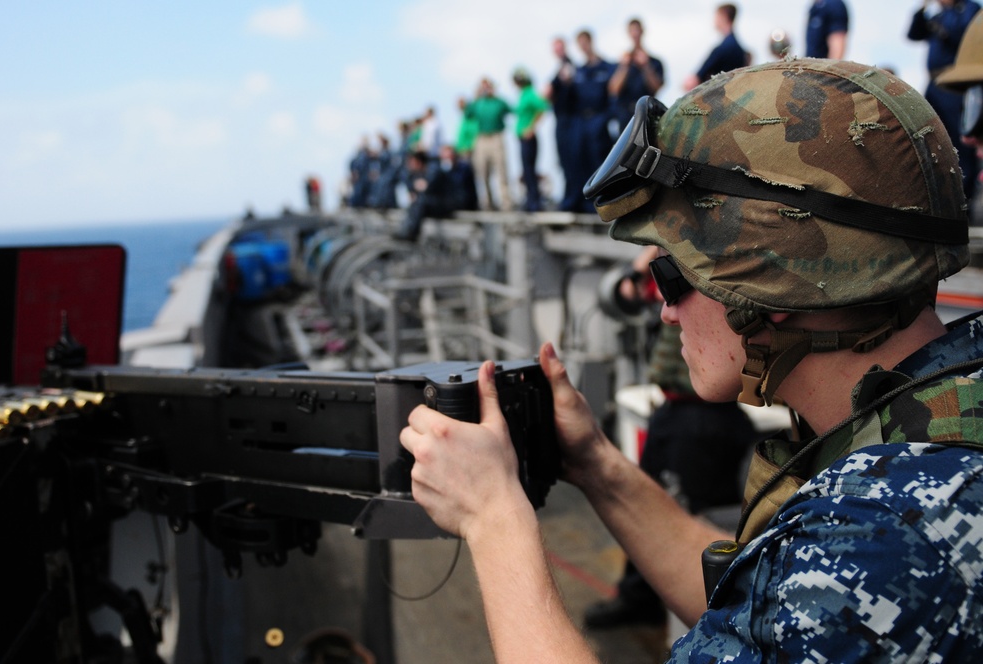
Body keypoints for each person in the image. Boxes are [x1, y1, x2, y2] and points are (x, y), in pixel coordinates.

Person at [400, 58, 983, 661]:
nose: (666, 312)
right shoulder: (942, 419)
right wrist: (595, 462)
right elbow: (765, 610)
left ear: (767, 281)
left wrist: (493, 517)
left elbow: (824, 594)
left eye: (673, 277)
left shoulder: (880, 540)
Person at [584, 247, 757, 630]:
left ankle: (711, 619)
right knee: (650, 502)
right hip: (676, 410)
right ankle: (640, 597)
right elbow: (633, 294)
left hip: (705, 419)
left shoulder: (704, 270)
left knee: (695, 517)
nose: (669, 313)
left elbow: (638, 293)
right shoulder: (676, 277)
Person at [908, 0, 982, 202]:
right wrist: (923, 8)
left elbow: (963, 37)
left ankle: (964, 198)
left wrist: (940, 28)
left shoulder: (969, 9)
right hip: (934, 85)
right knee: (931, 138)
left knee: (962, 143)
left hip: (956, 85)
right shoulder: (937, 15)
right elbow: (913, 34)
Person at [572, 29, 616, 213]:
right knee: (583, 161)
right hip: (583, 121)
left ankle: (605, 203)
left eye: (585, 42)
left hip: (600, 119)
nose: (583, 46)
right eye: (580, 43)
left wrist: (607, 118)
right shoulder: (579, 71)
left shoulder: (607, 67)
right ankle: (587, 205)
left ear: (590, 41)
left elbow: (613, 93)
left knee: (602, 161)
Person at [464, 78, 513, 211]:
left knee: (501, 170)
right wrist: (476, 96)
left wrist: (495, 95)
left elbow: (511, 110)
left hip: (497, 137)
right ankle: (488, 203)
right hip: (481, 138)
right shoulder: (477, 103)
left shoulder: (499, 102)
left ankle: (506, 203)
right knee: (482, 171)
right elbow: (467, 114)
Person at [546, 37, 583, 212]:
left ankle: (573, 200)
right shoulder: (560, 68)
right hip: (561, 119)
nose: (558, 50)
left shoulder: (569, 66)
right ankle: (569, 198)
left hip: (570, 120)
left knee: (572, 160)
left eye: (560, 47)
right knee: (564, 161)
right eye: (556, 48)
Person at [607, 19, 665, 128]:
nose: (635, 34)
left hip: (647, 113)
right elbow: (613, 89)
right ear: (628, 33)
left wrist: (646, 66)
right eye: (632, 31)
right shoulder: (621, 63)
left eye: (637, 30)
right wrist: (624, 66)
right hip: (625, 116)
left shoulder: (654, 62)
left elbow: (657, 88)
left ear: (642, 31)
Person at [684, 4, 749, 91]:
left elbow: (693, 81)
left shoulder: (722, 49)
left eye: (716, 17)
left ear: (723, 17)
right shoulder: (741, 51)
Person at [512, 68, 549, 212]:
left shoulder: (530, 93)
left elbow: (543, 107)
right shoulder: (522, 94)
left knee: (529, 170)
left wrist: (531, 127)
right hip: (522, 138)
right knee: (526, 170)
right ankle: (530, 200)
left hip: (529, 138)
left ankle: (534, 202)